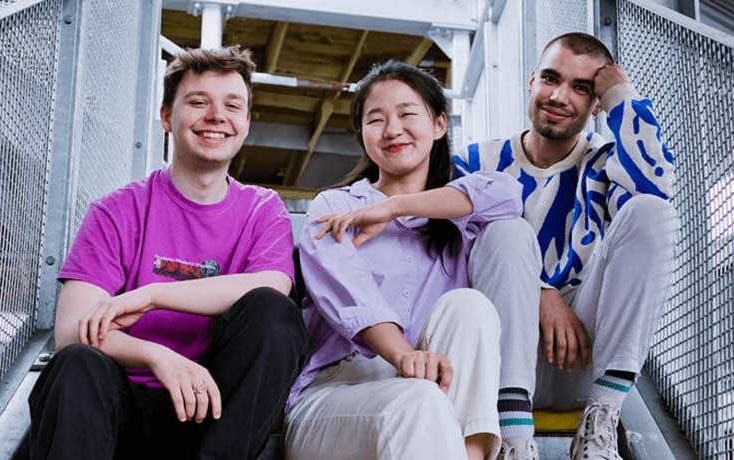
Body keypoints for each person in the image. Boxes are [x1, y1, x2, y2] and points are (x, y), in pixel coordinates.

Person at [24, 46, 310, 460]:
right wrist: (157, 357)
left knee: (274, 312)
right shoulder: (118, 210)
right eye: (198, 102)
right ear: (165, 117)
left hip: (213, 415)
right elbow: (71, 331)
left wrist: (152, 295)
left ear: (245, 123)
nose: (216, 116)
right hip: (120, 407)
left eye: (232, 105)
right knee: (76, 365)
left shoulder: (262, 210)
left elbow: (273, 283)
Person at [284, 60, 533, 460]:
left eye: (406, 114)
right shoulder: (336, 206)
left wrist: (395, 207)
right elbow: (354, 297)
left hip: (436, 397)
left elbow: (507, 195)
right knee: (418, 400)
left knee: (469, 306)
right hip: (336, 397)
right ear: (362, 135)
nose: (392, 129)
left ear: (438, 125)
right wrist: (404, 357)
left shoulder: (457, 218)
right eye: (376, 119)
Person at [454, 32, 677, 460]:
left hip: (581, 358)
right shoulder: (476, 161)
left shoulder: (604, 165)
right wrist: (540, 290)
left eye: (581, 87)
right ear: (533, 80)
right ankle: (514, 441)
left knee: (652, 212)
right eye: (551, 79)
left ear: (596, 105)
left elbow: (657, 189)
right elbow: (447, 251)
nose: (559, 96)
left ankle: (603, 418)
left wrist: (621, 96)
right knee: (506, 231)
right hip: (494, 362)